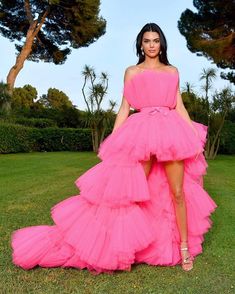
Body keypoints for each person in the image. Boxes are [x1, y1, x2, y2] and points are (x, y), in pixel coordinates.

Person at [11, 23, 217, 274]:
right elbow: (124, 108)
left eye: (155, 40)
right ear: (140, 45)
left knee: (177, 192)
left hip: (170, 133)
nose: (151, 45)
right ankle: (122, 245)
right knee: (132, 194)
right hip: (140, 132)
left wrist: (193, 136)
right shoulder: (131, 72)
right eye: (146, 41)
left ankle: (184, 247)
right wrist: (114, 142)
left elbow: (179, 105)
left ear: (161, 44)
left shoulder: (173, 71)